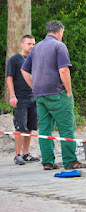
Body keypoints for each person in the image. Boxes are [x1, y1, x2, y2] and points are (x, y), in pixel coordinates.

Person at [21, 20, 86, 170]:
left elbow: (24, 70)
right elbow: (64, 70)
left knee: (45, 130)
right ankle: (70, 161)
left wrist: (34, 87)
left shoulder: (36, 47)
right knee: (66, 127)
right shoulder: (59, 46)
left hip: (40, 95)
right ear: (59, 32)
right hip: (57, 94)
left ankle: (47, 162)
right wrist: (69, 91)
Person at [6, 35, 40, 165]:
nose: (31, 46)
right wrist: (12, 96)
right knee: (20, 127)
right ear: (22, 44)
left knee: (30, 127)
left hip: (33, 97)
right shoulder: (14, 60)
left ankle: (26, 153)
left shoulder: (34, 59)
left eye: (33, 44)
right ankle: (17, 155)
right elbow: (9, 78)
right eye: (29, 44)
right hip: (20, 98)